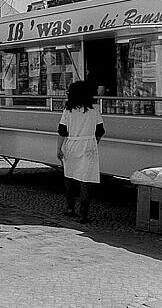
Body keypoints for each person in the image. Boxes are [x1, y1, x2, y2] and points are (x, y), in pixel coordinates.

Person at [57, 80, 105, 224]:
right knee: (86, 181)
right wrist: (94, 142)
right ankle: (84, 215)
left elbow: (62, 132)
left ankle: (70, 208)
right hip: (89, 145)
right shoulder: (94, 110)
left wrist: (58, 148)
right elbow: (101, 131)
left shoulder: (68, 111)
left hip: (71, 144)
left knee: (69, 177)